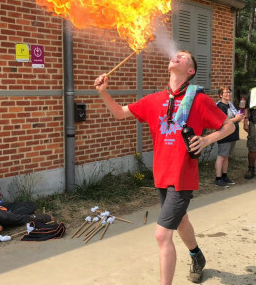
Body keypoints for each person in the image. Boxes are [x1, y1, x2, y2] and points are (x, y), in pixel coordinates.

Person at [94, 50, 235, 285]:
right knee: (180, 221)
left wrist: (206, 140)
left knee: (161, 234)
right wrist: (103, 92)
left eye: (183, 55)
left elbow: (228, 126)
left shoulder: (198, 99)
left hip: (183, 177)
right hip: (161, 176)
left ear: (190, 71)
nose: (176, 56)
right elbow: (119, 113)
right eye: (176, 53)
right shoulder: (153, 100)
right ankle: (197, 256)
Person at [215, 86, 244, 187]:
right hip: (224, 135)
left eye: (229, 92)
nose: (229, 94)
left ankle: (224, 176)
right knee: (221, 156)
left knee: (226, 157)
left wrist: (239, 118)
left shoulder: (230, 105)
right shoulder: (220, 106)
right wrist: (236, 119)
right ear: (221, 95)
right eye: (226, 93)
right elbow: (221, 121)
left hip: (232, 134)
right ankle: (218, 178)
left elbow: (234, 117)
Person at [243, 86, 256, 179]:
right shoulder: (253, 91)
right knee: (252, 147)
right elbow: (246, 108)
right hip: (254, 124)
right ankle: (251, 169)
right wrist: (245, 122)